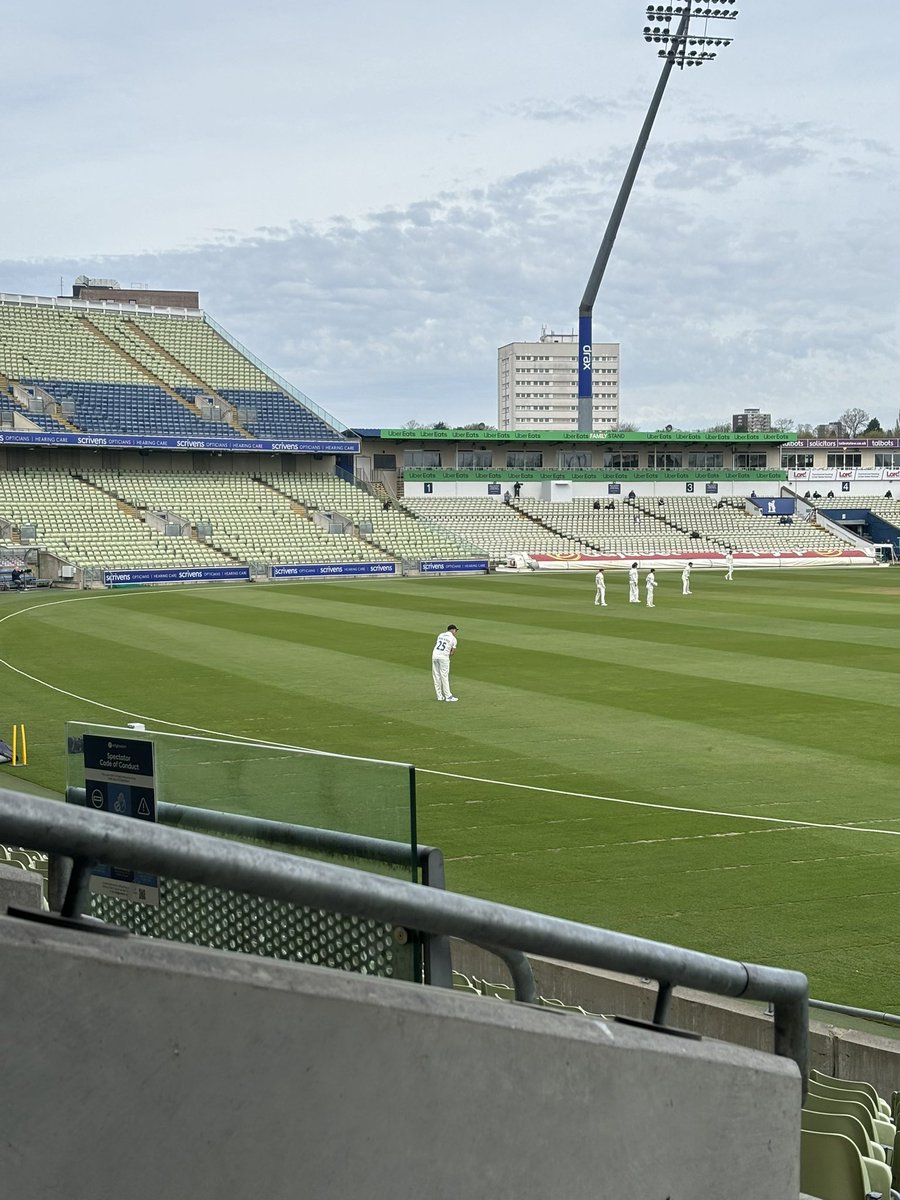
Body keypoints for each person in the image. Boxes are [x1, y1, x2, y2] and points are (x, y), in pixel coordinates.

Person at [432, 625, 459, 702]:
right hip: (443, 657)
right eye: (456, 631)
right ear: (453, 630)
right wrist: (449, 653)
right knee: (444, 676)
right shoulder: (453, 639)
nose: (456, 632)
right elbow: (452, 652)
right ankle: (448, 696)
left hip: (434, 655)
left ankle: (439, 696)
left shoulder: (440, 635)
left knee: (436, 676)